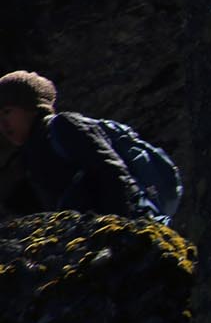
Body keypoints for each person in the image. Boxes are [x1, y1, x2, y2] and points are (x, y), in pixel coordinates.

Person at [0, 70, 148, 220]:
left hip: (123, 227)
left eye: (7, 112)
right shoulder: (30, 154)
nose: (3, 124)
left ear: (31, 108)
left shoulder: (63, 126)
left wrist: (117, 227)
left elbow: (112, 171)